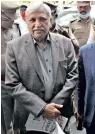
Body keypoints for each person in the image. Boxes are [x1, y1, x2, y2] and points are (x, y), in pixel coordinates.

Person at [5, 3, 78, 134]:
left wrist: (54, 106)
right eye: (32, 20)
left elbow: (73, 76)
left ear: (50, 21)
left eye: (42, 19)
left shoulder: (65, 43)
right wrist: (42, 107)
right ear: (26, 22)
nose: (37, 24)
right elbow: (12, 83)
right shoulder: (14, 47)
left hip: (60, 113)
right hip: (29, 116)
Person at [1, 2, 19, 134]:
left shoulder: (17, 28)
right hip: (2, 82)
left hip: (19, 81)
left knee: (20, 119)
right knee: (5, 121)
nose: (11, 22)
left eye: (13, 18)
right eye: (8, 19)